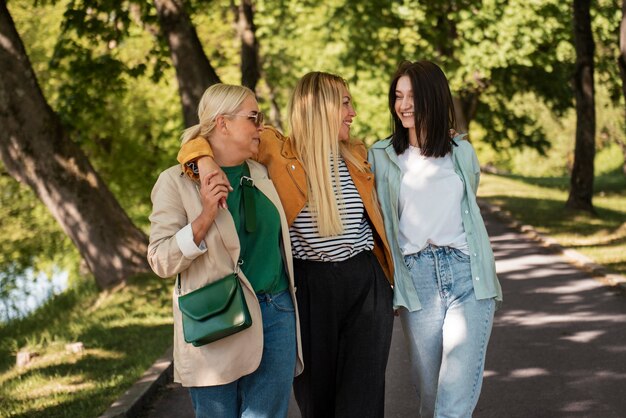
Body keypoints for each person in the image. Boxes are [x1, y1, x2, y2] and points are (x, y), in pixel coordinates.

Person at [178, 72, 395, 418]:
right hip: (311, 287)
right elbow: (202, 138)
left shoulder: (357, 153)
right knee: (317, 401)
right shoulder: (275, 150)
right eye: (344, 103)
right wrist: (203, 162)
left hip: (365, 283)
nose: (352, 112)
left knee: (365, 400)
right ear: (319, 108)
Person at [147, 83, 303, 418]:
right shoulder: (175, 182)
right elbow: (160, 260)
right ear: (223, 124)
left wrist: (200, 153)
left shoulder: (263, 172)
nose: (259, 126)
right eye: (252, 117)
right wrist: (204, 217)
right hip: (216, 319)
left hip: (277, 314)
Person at [368, 60, 503, 418]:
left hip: (467, 276)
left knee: (452, 402)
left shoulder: (462, 153)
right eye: (398, 96)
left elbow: (468, 211)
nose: (403, 105)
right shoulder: (381, 156)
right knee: (431, 399)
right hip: (417, 280)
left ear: (433, 96)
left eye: (412, 95)